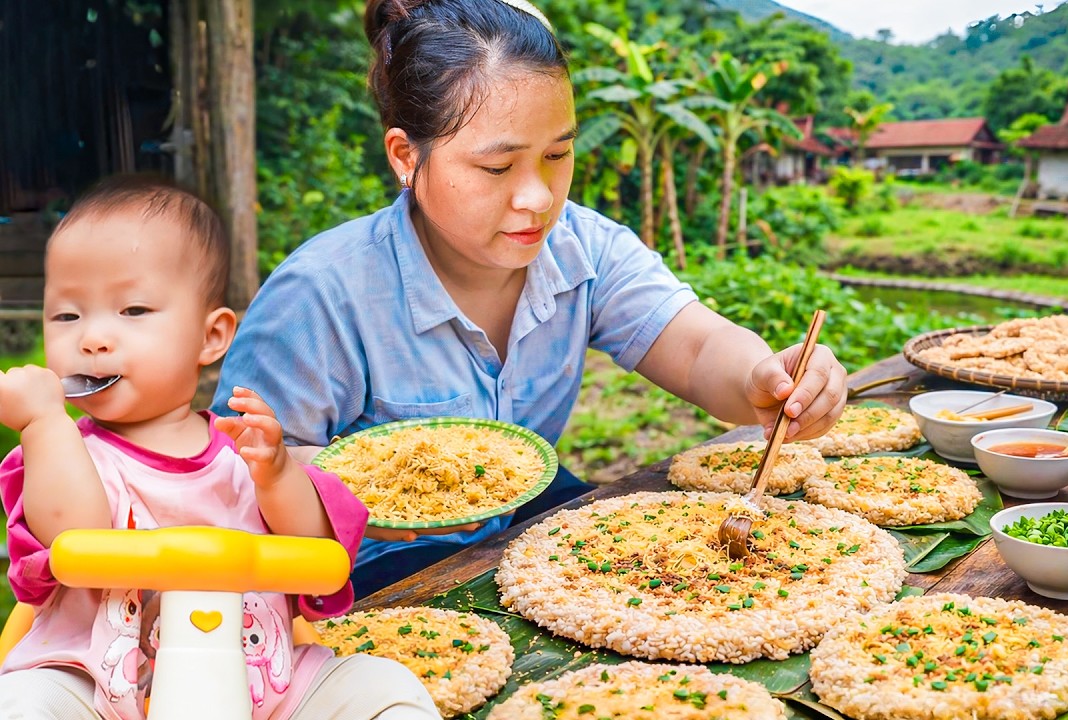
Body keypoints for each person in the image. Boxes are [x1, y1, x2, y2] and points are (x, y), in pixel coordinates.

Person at [212, 0, 849, 600]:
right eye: (498, 168)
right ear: (406, 156)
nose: (538, 198)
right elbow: (230, 472)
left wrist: (764, 377)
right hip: (358, 574)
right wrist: (349, 494)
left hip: (518, 532)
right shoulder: (322, 292)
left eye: (558, 154)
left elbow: (697, 345)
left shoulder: (583, 247)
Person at [0, 177, 442, 720]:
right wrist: (44, 423)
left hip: (265, 689)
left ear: (211, 337)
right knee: (22, 703)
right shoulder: (61, 456)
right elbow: (74, 534)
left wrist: (278, 474)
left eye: (133, 310)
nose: (92, 338)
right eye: (67, 315)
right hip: (96, 690)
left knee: (381, 686)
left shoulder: (243, 454)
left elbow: (319, 554)